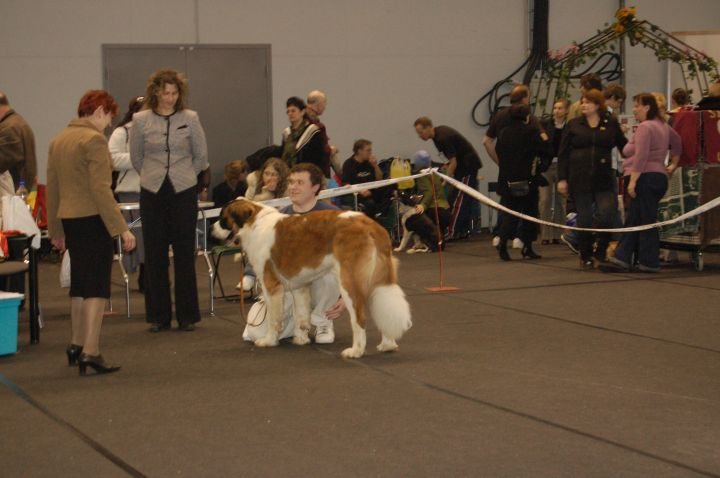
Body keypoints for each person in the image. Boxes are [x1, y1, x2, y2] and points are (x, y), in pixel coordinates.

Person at [47, 90, 136, 375]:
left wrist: (55, 229)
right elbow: (101, 189)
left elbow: (53, 189)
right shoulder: (94, 140)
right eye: (108, 117)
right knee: (96, 288)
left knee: (79, 285)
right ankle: (91, 350)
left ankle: (75, 344)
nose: (108, 124)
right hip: (93, 219)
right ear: (99, 111)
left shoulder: (59, 140)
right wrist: (121, 228)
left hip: (71, 220)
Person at [129, 69, 209, 333]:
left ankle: (187, 316)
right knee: (155, 254)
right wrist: (151, 176)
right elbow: (136, 157)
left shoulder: (190, 118)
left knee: (185, 253)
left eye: (174, 93)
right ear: (156, 93)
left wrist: (186, 176)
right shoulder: (140, 120)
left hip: (183, 191)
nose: (170, 98)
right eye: (166, 93)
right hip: (152, 192)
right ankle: (158, 316)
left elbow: (201, 155)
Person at [242, 163, 344, 344]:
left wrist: (346, 296)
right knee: (255, 333)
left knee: (328, 272)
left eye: (300, 182)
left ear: (315, 187)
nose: (293, 187)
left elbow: (351, 257)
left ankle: (322, 321)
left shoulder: (333, 216)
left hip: (321, 285)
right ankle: (296, 323)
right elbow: (260, 255)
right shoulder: (278, 217)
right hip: (287, 288)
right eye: (290, 182)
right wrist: (249, 275)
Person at [603, 93, 682, 273]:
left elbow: (641, 156)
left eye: (637, 106)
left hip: (644, 177)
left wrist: (633, 181)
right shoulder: (663, 126)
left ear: (647, 107)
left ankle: (648, 261)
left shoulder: (645, 127)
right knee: (637, 218)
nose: (634, 110)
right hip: (658, 176)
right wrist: (673, 163)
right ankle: (623, 257)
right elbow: (677, 141)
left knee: (645, 220)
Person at [557, 89, 628, 269]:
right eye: (582, 102)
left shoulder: (610, 123)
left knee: (607, 213)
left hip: (603, 177)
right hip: (579, 177)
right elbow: (563, 153)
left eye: (587, 102)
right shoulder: (573, 125)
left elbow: (624, 146)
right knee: (585, 217)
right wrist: (562, 179)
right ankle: (585, 254)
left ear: (597, 105)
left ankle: (601, 250)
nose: (584, 105)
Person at [494, 104, 551, 261]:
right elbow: (546, 149)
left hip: (507, 179)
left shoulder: (504, 132)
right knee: (529, 214)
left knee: (509, 214)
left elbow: (498, 151)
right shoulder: (531, 131)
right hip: (527, 179)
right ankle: (527, 247)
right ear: (527, 117)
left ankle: (503, 244)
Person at [414, 116, 482, 240]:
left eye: (420, 132)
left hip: (467, 167)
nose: (420, 136)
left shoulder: (442, 138)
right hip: (463, 168)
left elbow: (453, 162)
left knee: (459, 202)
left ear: (428, 127)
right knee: (459, 199)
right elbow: (450, 160)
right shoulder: (437, 137)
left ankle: (451, 231)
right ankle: (462, 230)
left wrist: (445, 180)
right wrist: (445, 168)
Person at [109, 95, 146, 291]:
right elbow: (113, 159)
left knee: (150, 236)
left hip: (154, 190)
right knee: (137, 235)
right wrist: (139, 159)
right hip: (131, 191)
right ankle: (142, 271)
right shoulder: (121, 132)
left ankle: (149, 272)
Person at [238, 157, 290, 291]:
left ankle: (251, 275)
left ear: (281, 176)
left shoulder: (288, 188)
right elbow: (249, 208)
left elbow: (286, 211)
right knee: (260, 240)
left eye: (274, 174)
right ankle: (250, 274)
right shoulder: (254, 184)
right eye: (266, 173)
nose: (269, 178)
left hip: (282, 228)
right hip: (258, 227)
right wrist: (266, 193)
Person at [403, 150, 450, 252]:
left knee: (411, 221)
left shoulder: (422, 174)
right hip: (445, 209)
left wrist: (423, 205)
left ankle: (425, 243)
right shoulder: (433, 172)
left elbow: (429, 192)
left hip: (435, 209)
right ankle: (436, 241)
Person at [538, 98, 569, 245]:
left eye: (560, 108)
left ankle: (559, 233)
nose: (557, 111)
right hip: (547, 166)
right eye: (555, 108)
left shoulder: (569, 127)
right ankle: (546, 234)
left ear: (566, 111)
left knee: (560, 201)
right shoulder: (545, 125)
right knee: (545, 200)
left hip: (562, 167)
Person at [281, 96, 330, 177]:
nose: (290, 114)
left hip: (309, 175)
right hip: (289, 175)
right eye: (288, 111)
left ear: (302, 112)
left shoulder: (313, 131)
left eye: (293, 111)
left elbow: (320, 158)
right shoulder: (287, 134)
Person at [0, 91, 37, 196]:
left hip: (11, 196)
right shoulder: (17, 122)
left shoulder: (8, 128)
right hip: (20, 193)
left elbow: (3, 161)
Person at [341, 139, 383, 217]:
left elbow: (379, 178)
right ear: (359, 151)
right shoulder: (349, 164)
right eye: (368, 150)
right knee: (370, 204)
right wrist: (359, 190)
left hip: (372, 192)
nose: (370, 153)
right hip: (358, 195)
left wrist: (375, 165)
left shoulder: (369, 163)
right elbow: (345, 183)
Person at [305, 90, 339, 177]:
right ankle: (345, 180)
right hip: (317, 171)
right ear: (318, 104)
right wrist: (331, 150)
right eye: (324, 103)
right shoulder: (317, 126)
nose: (325, 107)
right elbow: (321, 149)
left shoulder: (303, 120)